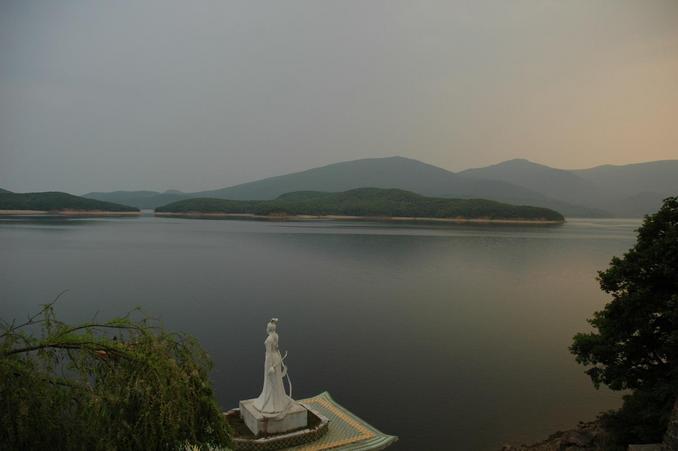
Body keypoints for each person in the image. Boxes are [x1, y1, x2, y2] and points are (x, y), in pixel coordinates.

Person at [252, 318, 291, 415]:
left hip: (271, 361)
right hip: (277, 358)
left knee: (271, 380)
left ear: (269, 329)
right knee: (276, 379)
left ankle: (271, 403)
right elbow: (276, 348)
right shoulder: (276, 335)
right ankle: (279, 400)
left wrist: (269, 366)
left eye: (267, 327)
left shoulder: (269, 339)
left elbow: (268, 354)